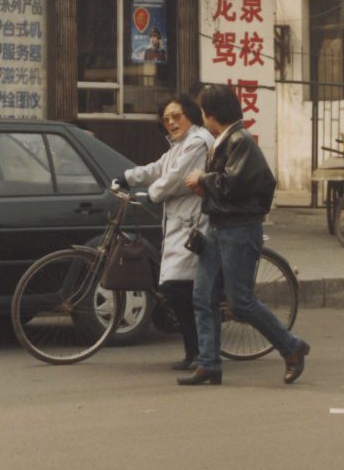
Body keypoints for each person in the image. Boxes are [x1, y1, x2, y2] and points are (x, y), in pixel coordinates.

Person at [180, 83, 310, 386]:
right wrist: (206, 186)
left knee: (241, 302)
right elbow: (228, 186)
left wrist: (203, 178)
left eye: (202, 111)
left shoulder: (241, 140)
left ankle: (291, 347)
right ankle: (209, 362)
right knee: (202, 296)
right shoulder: (226, 140)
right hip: (218, 227)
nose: (201, 116)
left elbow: (233, 183)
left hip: (238, 229)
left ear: (212, 114)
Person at [114, 94, 213, 369]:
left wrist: (151, 194)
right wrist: (128, 177)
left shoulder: (197, 142)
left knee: (177, 287)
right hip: (180, 221)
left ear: (190, 115)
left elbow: (175, 178)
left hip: (195, 222)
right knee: (181, 290)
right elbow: (159, 168)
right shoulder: (178, 145)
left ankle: (200, 353)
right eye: (166, 119)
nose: (171, 122)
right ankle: (195, 353)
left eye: (176, 116)